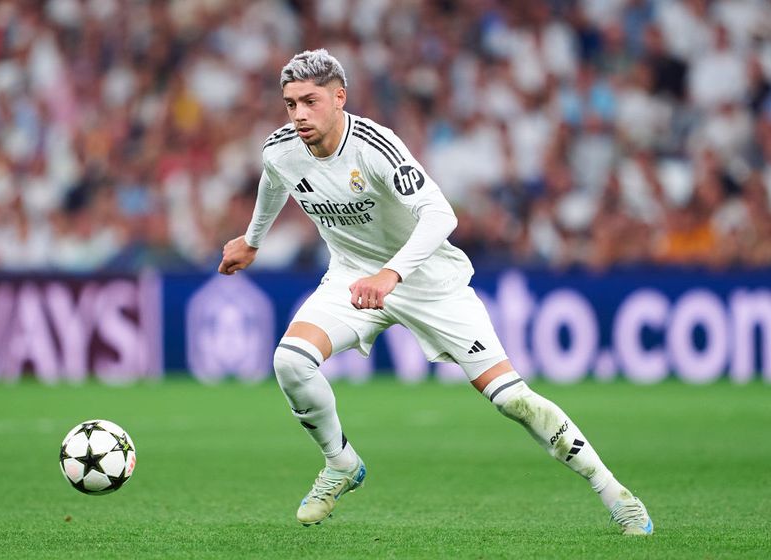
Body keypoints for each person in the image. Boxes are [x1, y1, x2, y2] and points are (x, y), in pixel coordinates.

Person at [218, 49, 652, 535]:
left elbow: (441, 215)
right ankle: (340, 463)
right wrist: (252, 240)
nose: (299, 114)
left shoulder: (375, 146)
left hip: (428, 282)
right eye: (291, 103)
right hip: (352, 278)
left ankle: (616, 494)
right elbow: (276, 179)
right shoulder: (280, 148)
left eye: (310, 101)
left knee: (513, 400)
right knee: (291, 361)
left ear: (339, 98)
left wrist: (392, 275)